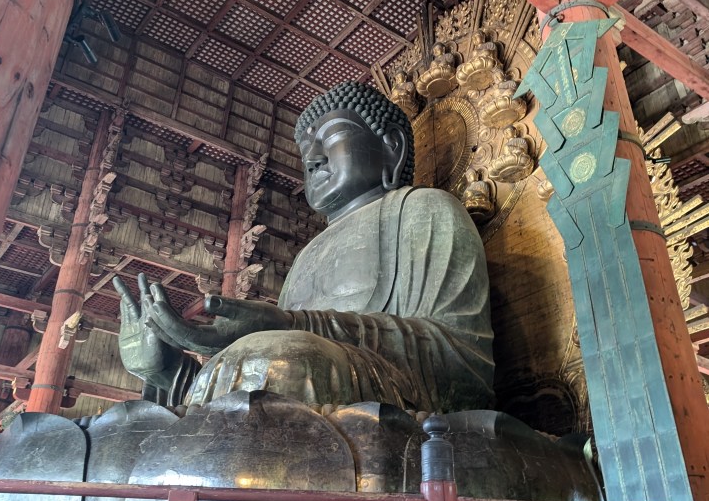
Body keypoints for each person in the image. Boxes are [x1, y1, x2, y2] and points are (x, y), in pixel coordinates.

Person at [114, 81, 495, 414]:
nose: (312, 159)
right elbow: (263, 392)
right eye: (306, 150)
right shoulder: (306, 258)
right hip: (314, 389)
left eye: (330, 138)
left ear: (391, 148)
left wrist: (294, 325)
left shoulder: (425, 209)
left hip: (402, 404)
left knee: (282, 358)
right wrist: (170, 371)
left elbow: (461, 360)